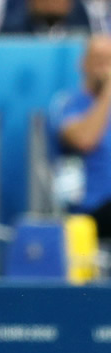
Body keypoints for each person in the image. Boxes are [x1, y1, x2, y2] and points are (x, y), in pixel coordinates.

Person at [52, 34, 111, 239]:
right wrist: (108, 91)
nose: (105, 67)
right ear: (83, 63)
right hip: (88, 210)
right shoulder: (69, 104)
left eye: (109, 60)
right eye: (99, 60)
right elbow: (84, 140)